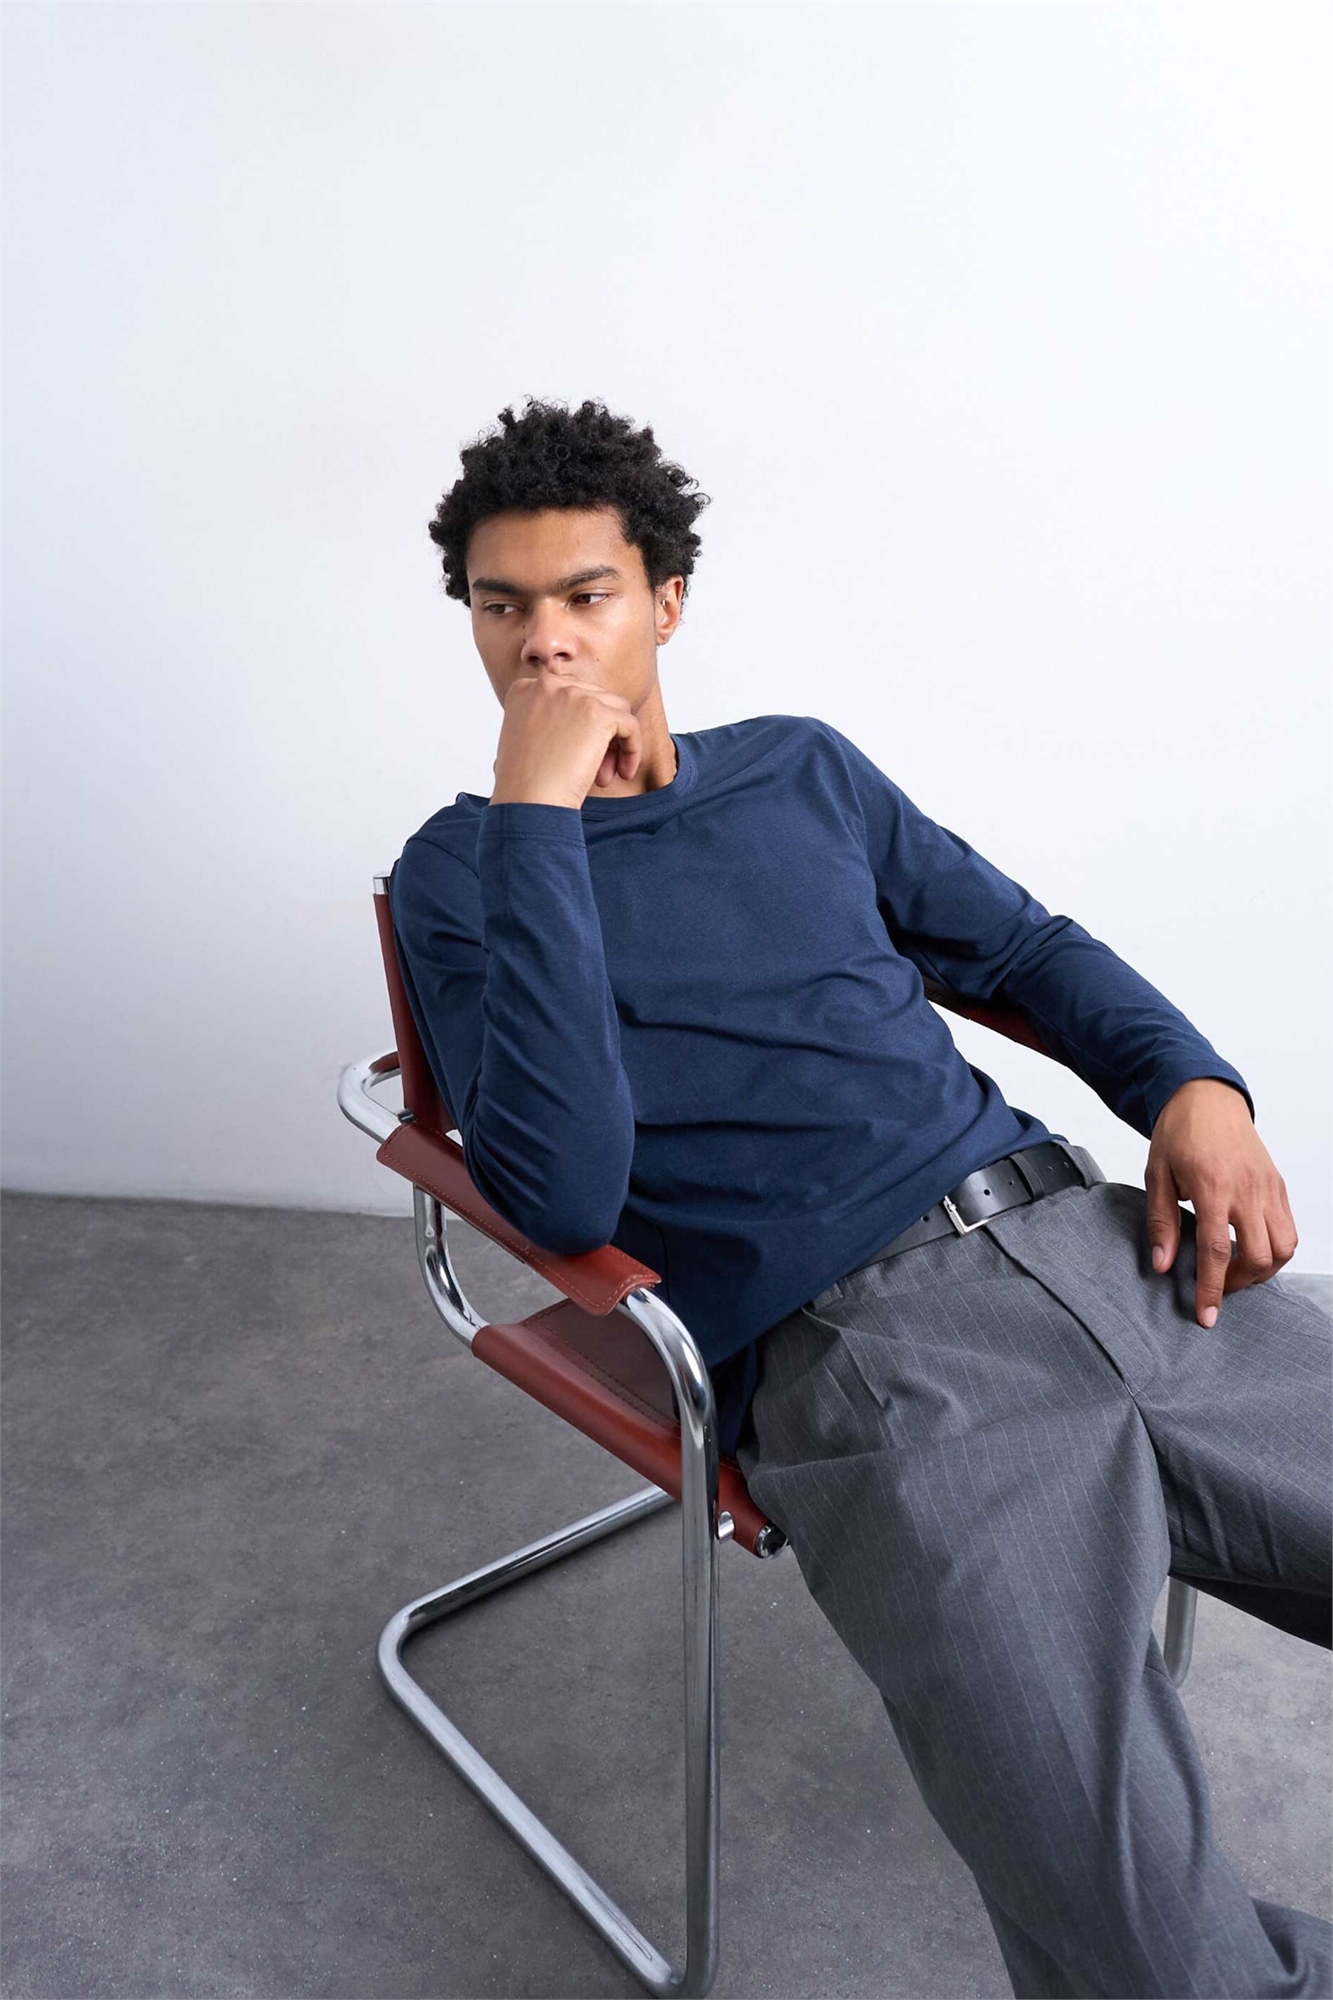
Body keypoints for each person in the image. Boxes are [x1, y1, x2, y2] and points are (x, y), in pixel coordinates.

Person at [388, 394, 1333, 1998]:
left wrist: (1196, 1085)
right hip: (875, 1375)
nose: (541, 641)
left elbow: (1017, 947)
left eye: (584, 594)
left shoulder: (798, 770)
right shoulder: (461, 874)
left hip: (1102, 1248)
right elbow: (558, 1189)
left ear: (665, 600)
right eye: (501, 605)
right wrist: (536, 820)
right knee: (1155, 1960)